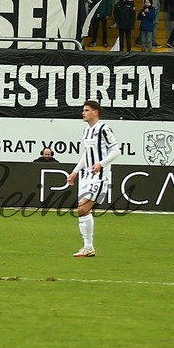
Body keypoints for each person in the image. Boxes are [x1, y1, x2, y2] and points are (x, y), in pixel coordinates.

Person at [60, 99, 114, 258]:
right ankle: (88, 247)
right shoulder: (86, 131)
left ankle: (89, 247)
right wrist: (75, 171)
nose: (83, 113)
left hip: (99, 176)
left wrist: (101, 164)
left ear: (96, 112)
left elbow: (116, 151)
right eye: (83, 110)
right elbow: (87, 153)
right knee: (82, 211)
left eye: (87, 110)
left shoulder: (104, 128)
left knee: (82, 209)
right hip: (86, 176)